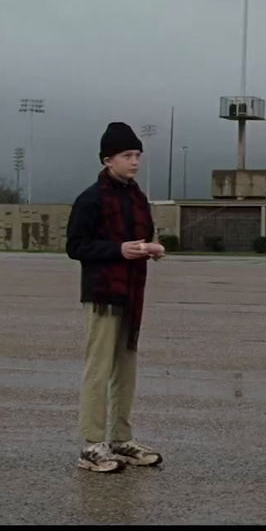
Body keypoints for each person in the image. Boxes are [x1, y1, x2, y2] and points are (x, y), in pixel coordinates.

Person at [65, 122, 166, 473]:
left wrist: (149, 249)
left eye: (137, 154)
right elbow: (75, 246)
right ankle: (92, 444)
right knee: (98, 370)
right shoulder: (90, 199)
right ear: (109, 160)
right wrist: (117, 250)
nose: (135, 161)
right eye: (127, 155)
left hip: (132, 295)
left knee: (126, 370)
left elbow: (138, 238)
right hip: (103, 296)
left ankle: (121, 438)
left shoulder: (137, 197)